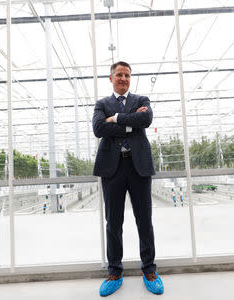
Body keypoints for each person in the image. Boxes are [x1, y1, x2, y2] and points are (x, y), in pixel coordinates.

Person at [93, 61, 163, 296]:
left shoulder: (142, 100)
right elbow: (98, 129)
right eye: (119, 74)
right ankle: (114, 271)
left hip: (138, 166)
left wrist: (114, 119)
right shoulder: (102, 103)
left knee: (145, 220)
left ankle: (149, 270)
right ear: (111, 78)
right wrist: (129, 121)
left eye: (127, 75)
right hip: (112, 169)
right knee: (113, 222)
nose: (124, 78)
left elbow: (146, 120)